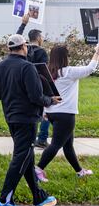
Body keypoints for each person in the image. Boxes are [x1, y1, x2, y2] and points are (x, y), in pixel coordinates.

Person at [0, 34, 60, 206]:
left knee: (26, 157)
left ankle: (39, 197)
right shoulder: (27, 67)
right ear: (24, 47)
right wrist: (50, 100)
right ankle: (4, 201)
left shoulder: (0, 66)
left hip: (11, 116)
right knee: (21, 157)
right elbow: (36, 96)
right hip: (26, 118)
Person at [35, 44, 99, 182]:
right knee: (56, 144)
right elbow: (90, 69)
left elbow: (46, 92)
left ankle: (79, 171)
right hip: (65, 115)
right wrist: (97, 53)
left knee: (68, 144)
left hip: (52, 113)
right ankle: (38, 169)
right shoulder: (69, 72)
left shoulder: (49, 73)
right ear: (65, 57)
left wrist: (46, 111)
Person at [16, 15, 51, 148]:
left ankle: (29, 136)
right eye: (42, 37)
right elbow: (44, 71)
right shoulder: (42, 52)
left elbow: (15, 39)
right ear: (37, 38)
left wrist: (23, 24)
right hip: (39, 85)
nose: (43, 39)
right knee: (45, 112)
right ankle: (42, 138)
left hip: (22, 84)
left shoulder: (23, 49)